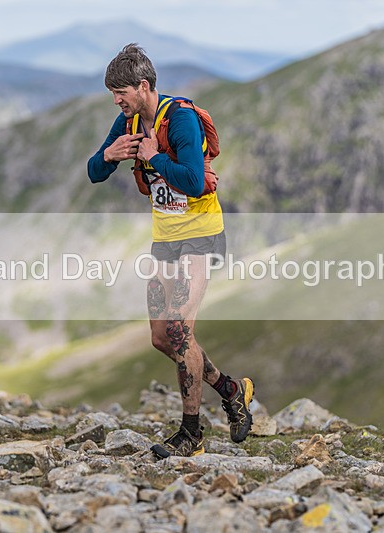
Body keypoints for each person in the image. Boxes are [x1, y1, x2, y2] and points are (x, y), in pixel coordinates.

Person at [87, 44, 254, 457]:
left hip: (201, 235)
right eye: (112, 93)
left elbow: (195, 182)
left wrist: (155, 157)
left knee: (181, 331)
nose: (116, 100)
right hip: (165, 240)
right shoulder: (126, 122)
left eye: (121, 92)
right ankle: (232, 391)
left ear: (143, 86)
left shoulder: (179, 120)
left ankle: (191, 435)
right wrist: (108, 155)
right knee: (161, 337)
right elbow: (94, 173)